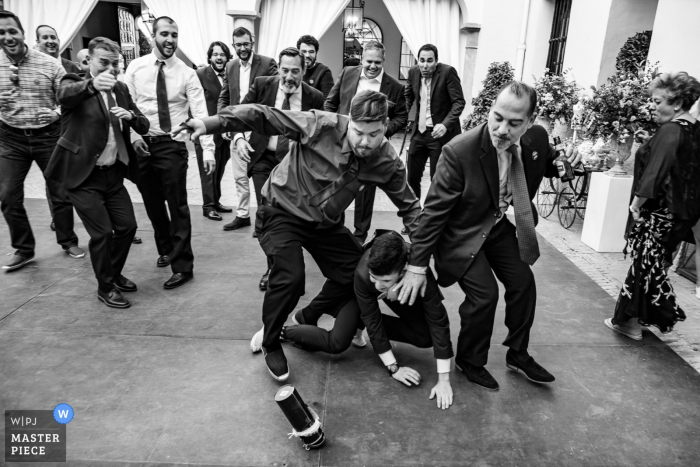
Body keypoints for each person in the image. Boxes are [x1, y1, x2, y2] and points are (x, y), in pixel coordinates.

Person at [173, 90, 421, 382]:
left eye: (374, 134)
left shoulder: (387, 161)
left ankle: (307, 317)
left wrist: (418, 263)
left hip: (324, 224)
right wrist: (211, 123)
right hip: (282, 212)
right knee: (290, 277)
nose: (365, 142)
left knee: (358, 271)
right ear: (349, 121)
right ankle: (271, 340)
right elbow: (264, 115)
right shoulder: (320, 125)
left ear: (386, 127)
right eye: (358, 132)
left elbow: (412, 208)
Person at [397, 81, 574, 391]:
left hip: (495, 225)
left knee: (523, 283)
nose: (503, 129)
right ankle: (470, 360)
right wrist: (416, 266)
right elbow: (433, 213)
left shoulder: (537, 138)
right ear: (491, 110)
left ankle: (517, 353)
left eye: (514, 123)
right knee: (485, 296)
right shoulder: (459, 151)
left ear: (530, 123)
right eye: (497, 117)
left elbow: (543, 162)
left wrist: (560, 163)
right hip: (460, 234)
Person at [45, 37, 149, 308]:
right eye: (104, 62)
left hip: (112, 173)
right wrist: (91, 84)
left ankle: (112, 273)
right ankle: (105, 287)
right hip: (82, 176)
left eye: (115, 63)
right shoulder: (73, 82)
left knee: (127, 227)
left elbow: (144, 123)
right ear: (89, 60)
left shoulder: (122, 88)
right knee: (102, 233)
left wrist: (132, 119)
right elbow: (63, 96)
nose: (110, 69)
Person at [605, 72, 700, 338]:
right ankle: (643, 318)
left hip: (660, 212)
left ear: (678, 102)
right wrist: (651, 143)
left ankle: (630, 323)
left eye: (658, 101)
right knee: (655, 265)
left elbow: (655, 173)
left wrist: (636, 205)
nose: (653, 106)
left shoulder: (671, 130)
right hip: (682, 215)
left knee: (644, 264)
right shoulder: (694, 129)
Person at [124, 16, 216, 289]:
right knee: (152, 205)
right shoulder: (135, 67)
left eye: (174, 35)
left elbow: (201, 114)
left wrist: (208, 151)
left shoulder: (187, 73)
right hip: (141, 144)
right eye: (165, 34)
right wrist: (132, 136)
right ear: (153, 36)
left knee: (177, 207)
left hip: (172, 145)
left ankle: (183, 266)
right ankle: (166, 249)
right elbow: (126, 105)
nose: (170, 40)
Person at [232, 47, 324, 291]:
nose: (289, 76)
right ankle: (272, 268)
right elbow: (241, 114)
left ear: (304, 71)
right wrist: (240, 138)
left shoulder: (314, 97)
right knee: (270, 211)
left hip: (296, 164)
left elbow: (321, 133)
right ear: (278, 69)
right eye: (285, 70)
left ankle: (289, 263)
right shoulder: (263, 85)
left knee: (290, 216)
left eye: (295, 71)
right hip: (264, 157)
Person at [0, 10, 83, 272]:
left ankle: (68, 240)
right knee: (7, 196)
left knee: (59, 192)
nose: (8, 36)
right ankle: (24, 249)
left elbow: (69, 96)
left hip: (48, 135)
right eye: (1, 32)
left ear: (23, 33)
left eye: (12, 30)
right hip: (10, 137)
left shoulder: (48, 63)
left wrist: (57, 112)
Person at [352, 231, 454, 409]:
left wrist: (444, 380)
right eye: (373, 278)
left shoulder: (420, 272)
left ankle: (363, 319)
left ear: (404, 271)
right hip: (361, 295)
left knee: (425, 337)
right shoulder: (362, 275)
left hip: (404, 287)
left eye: (384, 280)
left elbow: (438, 321)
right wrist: (394, 369)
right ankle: (357, 319)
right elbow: (373, 322)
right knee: (364, 323)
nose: (377, 286)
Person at [325, 40, 408, 242]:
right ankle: (335, 228)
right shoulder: (347, 74)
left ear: (383, 61)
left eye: (377, 62)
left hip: (371, 147)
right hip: (343, 143)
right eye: (369, 61)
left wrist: (380, 132)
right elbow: (330, 103)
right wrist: (334, 128)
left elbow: (402, 117)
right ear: (362, 59)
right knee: (337, 186)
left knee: (365, 190)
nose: (372, 66)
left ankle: (360, 235)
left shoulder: (394, 87)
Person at [218, 27, 278, 232]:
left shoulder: (268, 63)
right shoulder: (230, 66)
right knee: (239, 176)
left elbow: (273, 98)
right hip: (237, 128)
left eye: (246, 43)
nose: (242, 48)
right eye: (238, 45)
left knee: (260, 177)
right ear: (233, 45)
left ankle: (263, 220)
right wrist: (223, 121)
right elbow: (224, 97)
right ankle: (243, 215)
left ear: (252, 42)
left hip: (258, 129)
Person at [404, 44, 465, 202]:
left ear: (436, 61)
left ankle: (431, 219)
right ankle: (414, 218)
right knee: (412, 177)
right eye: (422, 60)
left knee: (436, 179)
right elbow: (408, 97)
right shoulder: (413, 72)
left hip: (439, 135)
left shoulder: (447, 73)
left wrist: (445, 124)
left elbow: (459, 102)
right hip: (419, 132)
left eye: (429, 61)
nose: (425, 65)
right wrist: (401, 116)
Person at [195, 41, 233, 222]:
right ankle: (208, 206)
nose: (219, 57)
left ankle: (216, 201)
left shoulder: (232, 74)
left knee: (220, 169)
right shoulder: (200, 74)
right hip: (206, 131)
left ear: (227, 57)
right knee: (208, 171)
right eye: (215, 54)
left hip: (226, 132)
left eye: (222, 54)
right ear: (209, 57)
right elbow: (192, 102)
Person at [297, 35, 333, 100]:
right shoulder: (293, 70)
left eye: (311, 52)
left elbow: (327, 102)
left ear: (316, 53)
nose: (307, 55)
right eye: (303, 52)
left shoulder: (324, 72)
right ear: (298, 52)